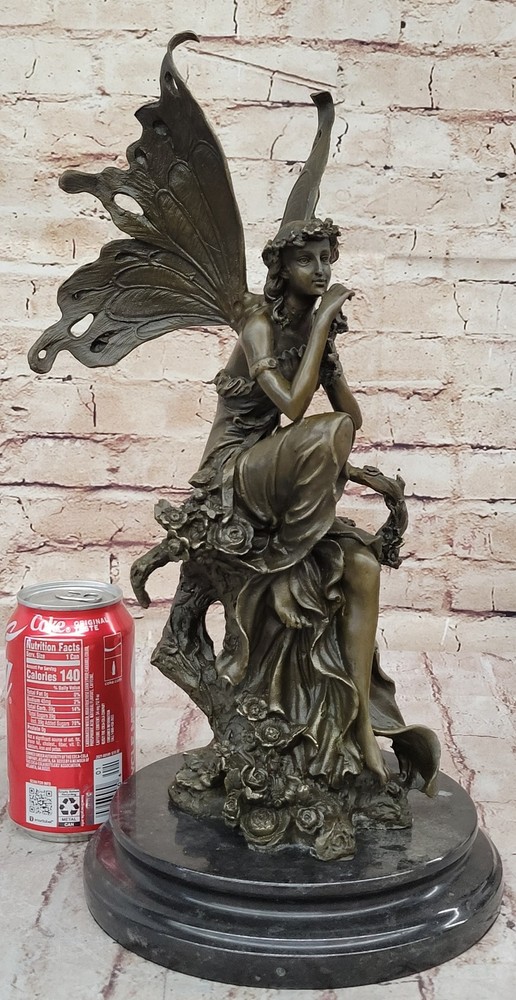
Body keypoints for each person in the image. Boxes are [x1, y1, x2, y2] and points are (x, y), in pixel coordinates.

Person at [187, 217, 390, 783]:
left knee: (364, 568)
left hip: (275, 471)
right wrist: (321, 327)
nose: (321, 271)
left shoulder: (312, 332)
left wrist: (330, 361)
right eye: (307, 260)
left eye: (327, 259)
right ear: (281, 267)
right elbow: (295, 409)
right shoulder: (258, 323)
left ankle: (361, 726)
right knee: (325, 432)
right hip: (232, 471)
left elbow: (351, 418)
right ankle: (287, 559)